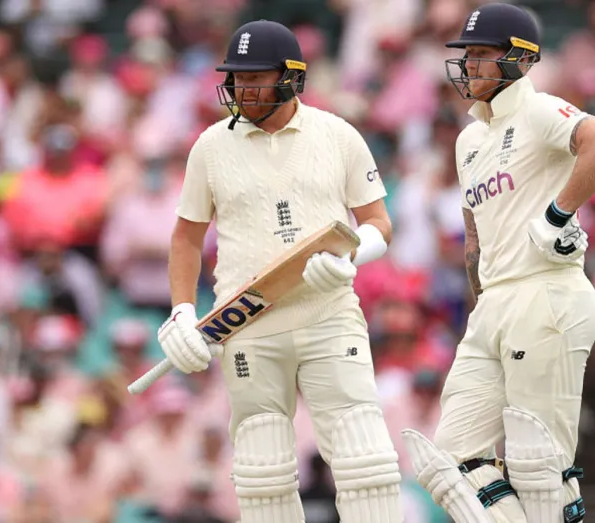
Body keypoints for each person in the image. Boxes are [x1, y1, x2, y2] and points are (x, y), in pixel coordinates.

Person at [155, 19, 403, 523]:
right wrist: (182, 311)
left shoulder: (337, 135)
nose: (241, 88)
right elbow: (185, 238)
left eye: (254, 78)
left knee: (363, 458)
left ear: (291, 78)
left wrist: (348, 259)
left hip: (328, 315)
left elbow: (379, 223)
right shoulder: (210, 146)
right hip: (248, 323)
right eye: (236, 78)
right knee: (262, 470)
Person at [401, 4, 595, 523]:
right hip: (494, 306)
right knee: (450, 459)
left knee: (539, 468)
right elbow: (473, 237)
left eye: (482, 54)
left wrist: (556, 214)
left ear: (520, 59)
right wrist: (481, 304)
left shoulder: (539, 110)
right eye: (467, 54)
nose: (470, 65)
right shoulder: (468, 140)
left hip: (547, 291)